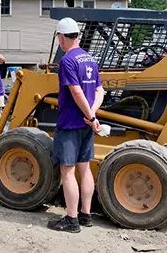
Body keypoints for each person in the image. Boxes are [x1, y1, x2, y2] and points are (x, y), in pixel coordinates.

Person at [47, 17, 105, 233]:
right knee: (85, 169)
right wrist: (92, 116)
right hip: (86, 125)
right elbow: (100, 91)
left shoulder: (67, 61)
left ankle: (71, 220)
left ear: (62, 38)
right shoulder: (90, 59)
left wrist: (90, 116)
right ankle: (86, 215)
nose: (60, 42)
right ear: (78, 36)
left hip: (71, 124)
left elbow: (76, 91)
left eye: (59, 38)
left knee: (68, 172)